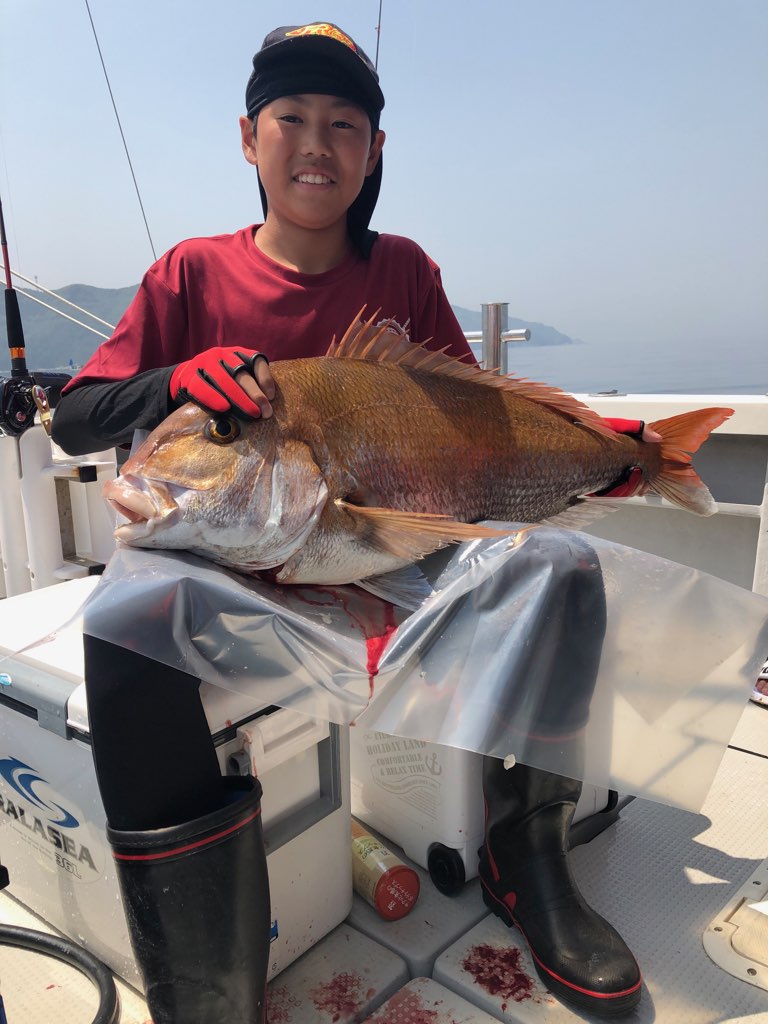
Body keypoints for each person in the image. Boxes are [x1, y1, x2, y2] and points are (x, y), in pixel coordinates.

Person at [52, 22, 652, 1023]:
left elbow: (480, 415)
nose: (316, 144)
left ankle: (527, 855)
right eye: (291, 117)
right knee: (120, 632)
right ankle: (205, 990)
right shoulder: (190, 273)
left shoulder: (405, 271)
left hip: (388, 556)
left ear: (374, 152)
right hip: (241, 576)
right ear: (249, 137)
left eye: (345, 124)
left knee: (563, 569)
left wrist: (598, 452)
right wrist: (171, 382)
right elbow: (76, 416)